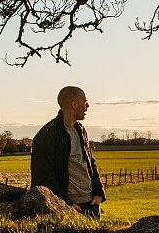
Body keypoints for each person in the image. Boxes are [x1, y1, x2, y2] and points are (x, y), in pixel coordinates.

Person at [31, 86, 106, 217]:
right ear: (74, 104)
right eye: (85, 101)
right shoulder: (46, 135)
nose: (87, 106)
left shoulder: (80, 129)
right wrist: (66, 203)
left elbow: (90, 162)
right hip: (70, 208)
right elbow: (43, 177)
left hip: (92, 204)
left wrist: (99, 192)